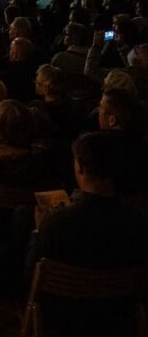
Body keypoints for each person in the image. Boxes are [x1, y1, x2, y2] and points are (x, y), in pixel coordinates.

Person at [30, 132, 148, 337]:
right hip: (118, 321)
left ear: (81, 168)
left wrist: (39, 230)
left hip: (64, 322)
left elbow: (31, 276)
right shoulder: (138, 223)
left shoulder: (57, 224)